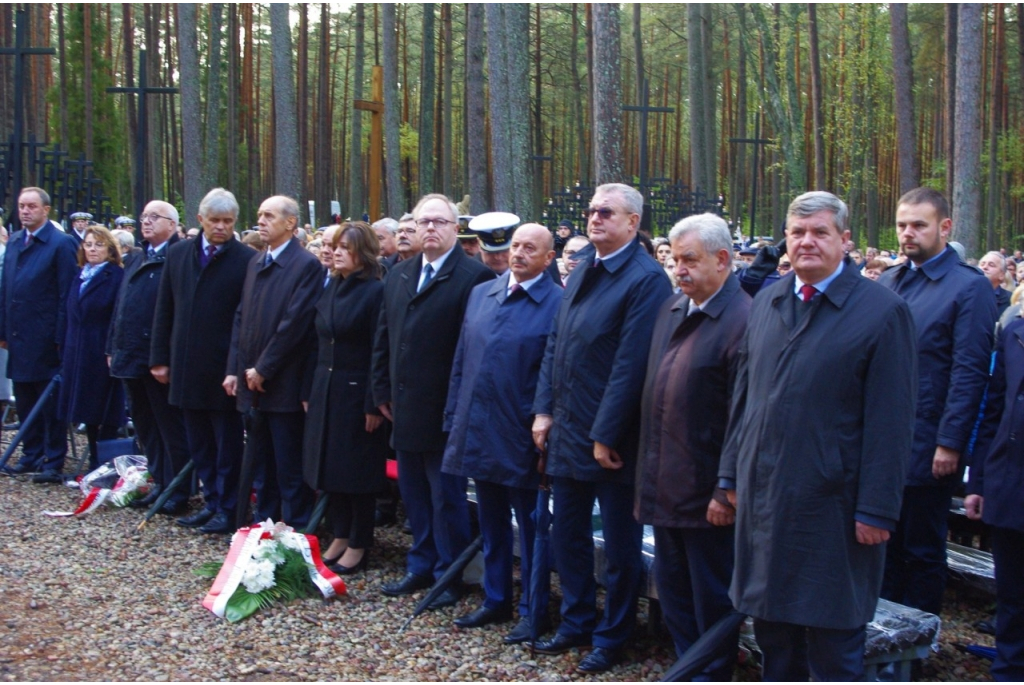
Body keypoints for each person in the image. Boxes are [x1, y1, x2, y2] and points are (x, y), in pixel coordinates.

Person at [720, 191, 918, 681]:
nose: (806, 242)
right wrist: (730, 473)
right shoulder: (767, 299)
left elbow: (892, 423)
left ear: (845, 241)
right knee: (773, 630)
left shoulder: (882, 312)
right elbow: (744, 397)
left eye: (820, 232)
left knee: (834, 638)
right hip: (766, 497)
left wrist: (877, 508)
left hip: (833, 502)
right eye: (797, 232)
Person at [531, 183, 672, 674]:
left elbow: (631, 365)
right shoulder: (584, 267)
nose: (594, 219)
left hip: (613, 443)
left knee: (619, 547)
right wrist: (543, 409)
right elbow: (557, 343)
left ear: (632, 223)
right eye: (591, 211)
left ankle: (614, 636)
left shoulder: (645, 279)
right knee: (565, 533)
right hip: (568, 428)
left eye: (606, 213)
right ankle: (575, 621)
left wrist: (607, 433)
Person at [634, 213, 750, 681]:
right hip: (665, 480)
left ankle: (713, 671)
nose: (678, 270)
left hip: (707, 493)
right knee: (674, 588)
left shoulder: (744, 319)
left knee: (712, 595)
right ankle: (689, 665)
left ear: (722, 260)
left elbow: (743, 417)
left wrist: (726, 488)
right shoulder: (673, 309)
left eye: (689, 260)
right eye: (675, 260)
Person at [878, 187, 997, 618]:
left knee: (921, 548)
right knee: (879, 541)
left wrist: (949, 442)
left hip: (928, 442)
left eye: (919, 225)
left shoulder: (969, 288)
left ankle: (915, 642)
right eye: (902, 225)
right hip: (881, 439)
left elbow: (969, 372)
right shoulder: (891, 280)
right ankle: (878, 636)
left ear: (944, 227)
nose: (908, 234)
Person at [372, 193, 494, 605]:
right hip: (402, 405)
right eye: (424, 222)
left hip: (445, 408)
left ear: (454, 228)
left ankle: (449, 573)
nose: (430, 229)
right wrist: (380, 391)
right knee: (414, 495)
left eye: (439, 222)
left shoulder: (474, 278)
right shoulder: (399, 275)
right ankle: (420, 564)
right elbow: (384, 337)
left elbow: (474, 349)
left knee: (446, 498)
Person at [441, 221, 560, 638]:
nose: (519, 253)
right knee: (490, 523)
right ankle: (497, 600)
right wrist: (453, 417)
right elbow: (460, 362)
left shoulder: (556, 304)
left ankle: (533, 608)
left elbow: (552, 378)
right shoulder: (481, 295)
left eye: (531, 248)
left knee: (530, 529)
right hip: (476, 427)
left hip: (521, 434)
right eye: (516, 246)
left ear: (549, 259)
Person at [150, 188, 254, 534]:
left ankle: (229, 508)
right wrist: (159, 359)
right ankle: (210, 501)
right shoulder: (179, 254)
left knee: (226, 444)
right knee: (198, 441)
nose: (222, 228)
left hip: (223, 367)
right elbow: (164, 308)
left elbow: (246, 318)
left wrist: (235, 367)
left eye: (228, 222)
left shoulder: (245, 259)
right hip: (184, 363)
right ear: (200, 220)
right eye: (215, 221)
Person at [225, 195, 322, 529]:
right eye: (259, 215)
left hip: (283, 385)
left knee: (288, 466)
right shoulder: (256, 262)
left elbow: (294, 324)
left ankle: (294, 534)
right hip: (253, 386)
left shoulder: (305, 265)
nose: (261, 221)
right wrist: (235, 370)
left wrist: (264, 367)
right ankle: (262, 530)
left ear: (291, 223)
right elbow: (242, 318)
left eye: (269, 216)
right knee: (260, 465)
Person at [302, 222, 387, 575]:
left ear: (362, 253)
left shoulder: (375, 291)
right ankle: (339, 532)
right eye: (334, 246)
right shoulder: (332, 286)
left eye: (344, 247)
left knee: (356, 470)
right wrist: (309, 389)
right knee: (328, 465)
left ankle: (359, 541)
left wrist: (372, 402)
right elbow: (316, 342)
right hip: (326, 387)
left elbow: (377, 349)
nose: (335, 252)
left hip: (356, 391)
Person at [108, 200, 191, 514]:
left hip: (158, 358)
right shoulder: (137, 257)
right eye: (144, 217)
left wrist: (165, 357)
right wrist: (111, 347)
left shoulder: (179, 256)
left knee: (169, 425)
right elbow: (122, 305)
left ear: (172, 224)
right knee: (145, 425)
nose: (146, 222)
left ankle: (178, 488)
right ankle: (159, 481)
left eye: (154, 217)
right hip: (130, 354)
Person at [0, 188, 79, 482]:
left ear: (46, 210)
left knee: (50, 401)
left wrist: (61, 335)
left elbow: (66, 293)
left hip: (46, 337)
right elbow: (7, 289)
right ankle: (31, 454)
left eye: (32, 206)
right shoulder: (16, 242)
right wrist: (3, 329)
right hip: (19, 335)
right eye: (21, 206)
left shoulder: (61, 244)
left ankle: (53, 459)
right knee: (24, 399)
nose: (25, 211)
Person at [966, 314, 1024, 681]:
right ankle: (1010, 666)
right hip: (1011, 479)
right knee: (1013, 588)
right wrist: (979, 481)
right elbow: (995, 409)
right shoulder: (1015, 332)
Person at [58, 226, 125, 470]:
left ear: (109, 249)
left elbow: (117, 314)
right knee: (86, 409)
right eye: (88, 244)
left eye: (98, 244)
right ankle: (94, 461)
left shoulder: (115, 276)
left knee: (103, 408)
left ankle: (104, 462)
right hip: (77, 348)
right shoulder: (80, 275)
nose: (92, 249)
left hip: (99, 348)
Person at [470, 212, 516, 276]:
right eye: (491, 252)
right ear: (478, 244)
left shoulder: (529, 275)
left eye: (504, 250)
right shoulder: (468, 276)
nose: (498, 257)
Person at [980, 251, 1013, 317]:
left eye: (991, 265)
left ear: (1002, 275)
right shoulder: (965, 295)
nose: (985, 267)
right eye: (982, 264)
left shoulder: (1011, 300)